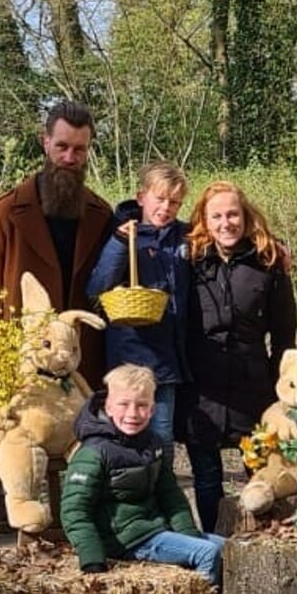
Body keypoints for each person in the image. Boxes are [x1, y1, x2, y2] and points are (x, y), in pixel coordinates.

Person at [179, 181, 297, 528]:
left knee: (261, 474)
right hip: (202, 389)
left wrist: (284, 391)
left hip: (253, 387)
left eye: (233, 214)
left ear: (246, 218)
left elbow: (284, 333)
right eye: (216, 215)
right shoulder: (190, 261)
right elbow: (148, 231)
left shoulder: (269, 262)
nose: (225, 222)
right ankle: (217, 545)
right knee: (206, 477)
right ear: (204, 220)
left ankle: (259, 539)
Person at [0, 99, 114, 388]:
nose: (70, 157)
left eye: (79, 149)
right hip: (28, 355)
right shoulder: (7, 211)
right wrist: (5, 353)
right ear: (45, 143)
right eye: (62, 147)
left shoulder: (101, 214)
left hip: (81, 356)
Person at [60, 364, 226, 585]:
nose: (132, 414)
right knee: (207, 554)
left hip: (154, 529)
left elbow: (170, 494)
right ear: (108, 406)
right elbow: (74, 510)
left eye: (141, 406)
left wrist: (188, 533)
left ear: (152, 409)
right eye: (123, 404)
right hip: (125, 541)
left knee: (228, 547)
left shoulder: (152, 443)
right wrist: (92, 558)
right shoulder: (93, 452)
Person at [85, 162, 191, 451]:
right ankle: (127, 492)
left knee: (162, 436)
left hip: (167, 360)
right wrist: (120, 243)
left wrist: (275, 245)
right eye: (160, 199)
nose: (167, 208)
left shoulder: (185, 236)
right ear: (141, 196)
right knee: (125, 434)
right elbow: (96, 288)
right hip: (128, 357)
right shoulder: (121, 235)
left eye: (175, 202)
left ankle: (161, 493)